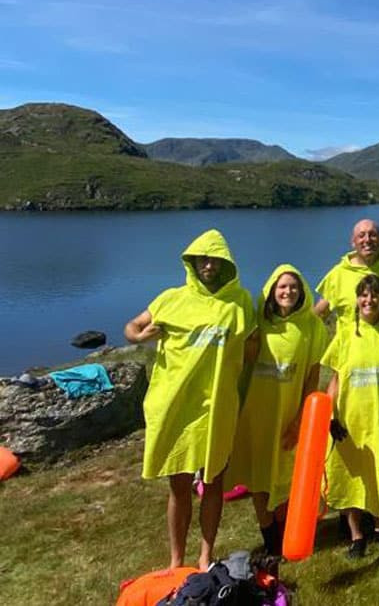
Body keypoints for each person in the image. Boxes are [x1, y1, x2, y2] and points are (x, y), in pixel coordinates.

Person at [123, 229, 256, 570]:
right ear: (193, 263)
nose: (209, 265)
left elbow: (253, 348)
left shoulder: (239, 301)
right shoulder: (171, 298)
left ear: (227, 263)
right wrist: (139, 335)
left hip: (218, 408)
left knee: (213, 483)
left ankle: (205, 556)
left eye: (215, 259)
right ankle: (176, 559)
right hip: (177, 406)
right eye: (203, 259)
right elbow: (132, 326)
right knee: (179, 485)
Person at [224, 264, 328, 557]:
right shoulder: (258, 322)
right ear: (272, 290)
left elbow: (311, 376)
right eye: (282, 287)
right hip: (256, 415)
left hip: (288, 414)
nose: (288, 292)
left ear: (302, 291)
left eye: (294, 287)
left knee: (286, 477)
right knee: (258, 477)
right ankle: (269, 535)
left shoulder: (312, 327)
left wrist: (300, 421)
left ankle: (287, 530)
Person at [323, 274, 379, 559]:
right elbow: (336, 378)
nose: (369, 300)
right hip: (350, 421)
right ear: (357, 299)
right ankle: (356, 536)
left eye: (375, 295)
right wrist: (330, 414)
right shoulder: (347, 333)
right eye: (364, 294)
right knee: (351, 476)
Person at [313, 219, 379, 331]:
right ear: (353, 242)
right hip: (353, 346)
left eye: (373, 235)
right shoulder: (338, 274)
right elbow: (319, 314)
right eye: (361, 236)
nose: (367, 240)